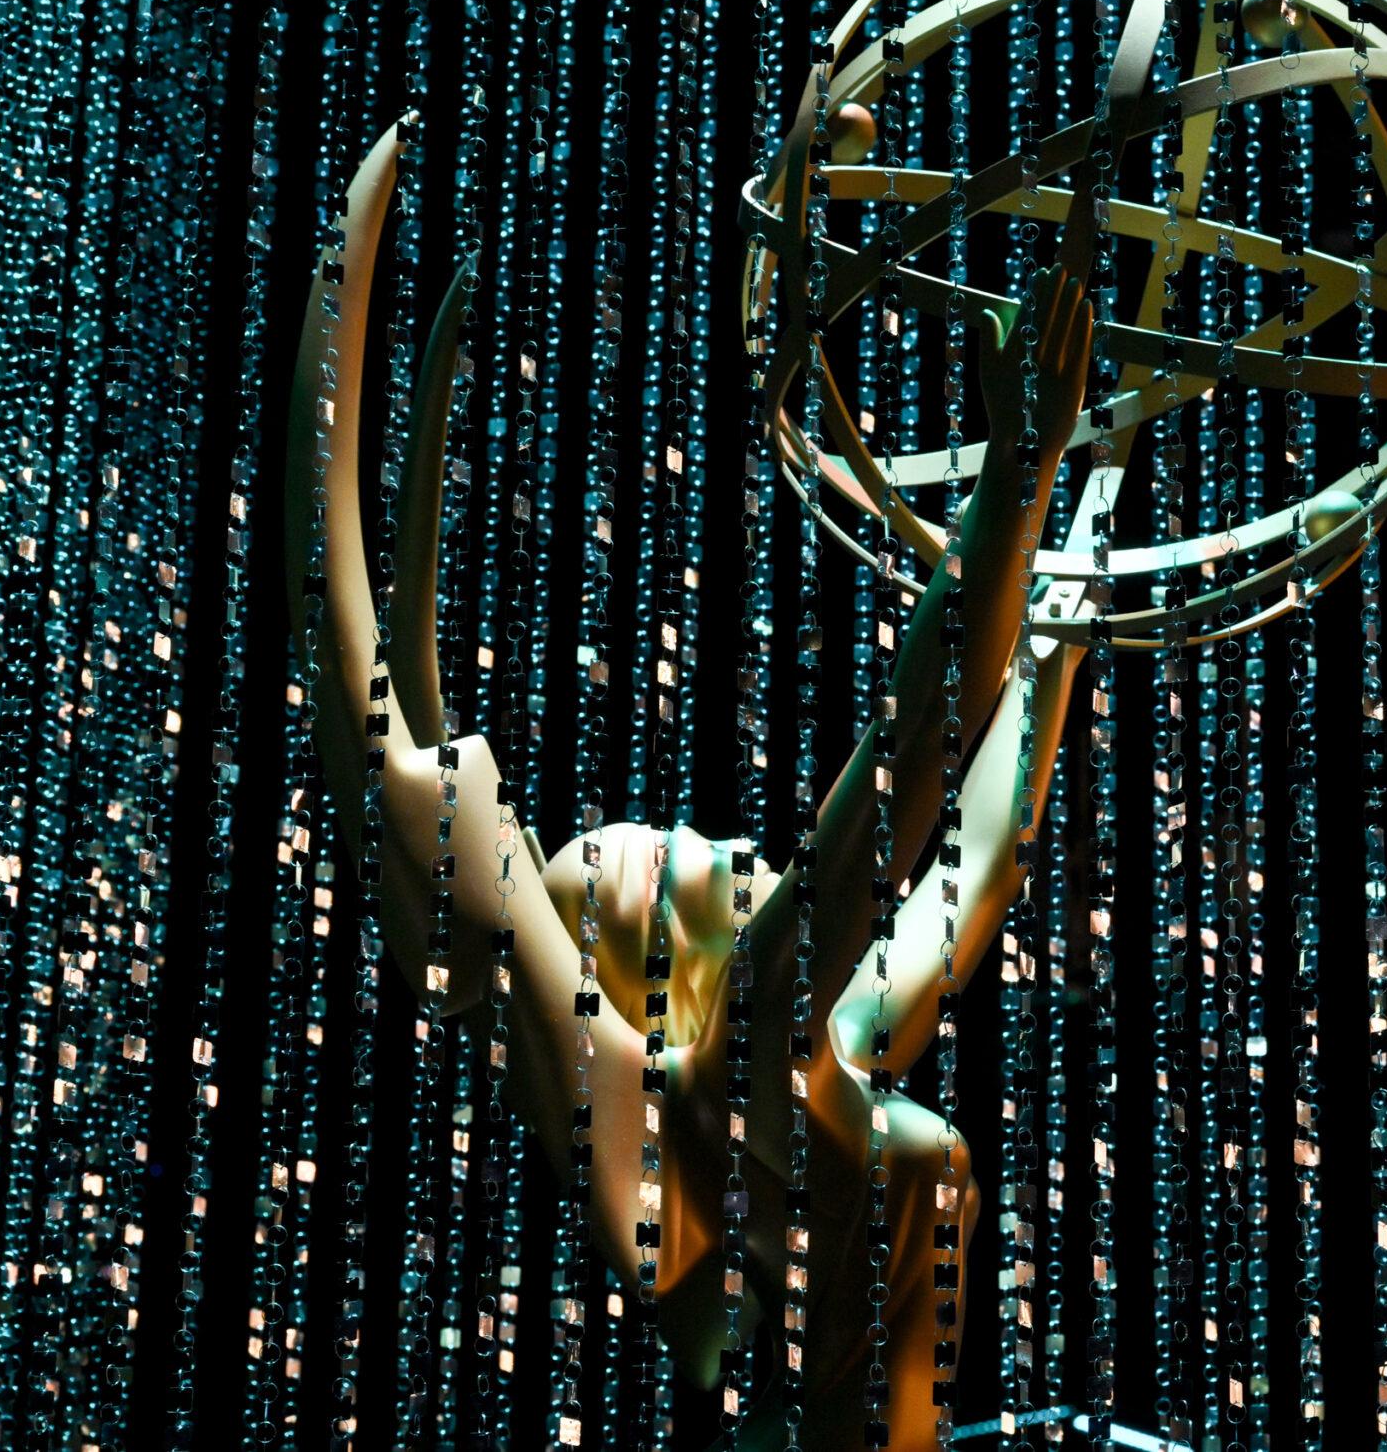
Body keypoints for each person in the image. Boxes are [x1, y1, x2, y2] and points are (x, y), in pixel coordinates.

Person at [286, 117, 1096, 1448]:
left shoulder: (816, 1056)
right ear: (664, 979)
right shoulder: (746, 1061)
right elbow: (903, 775)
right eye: (662, 859)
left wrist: (1065, 596)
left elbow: (982, 854)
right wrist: (1020, 481)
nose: (701, 836)